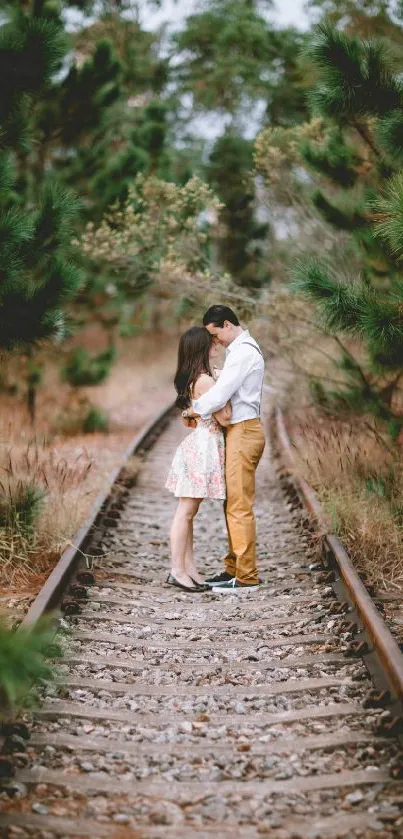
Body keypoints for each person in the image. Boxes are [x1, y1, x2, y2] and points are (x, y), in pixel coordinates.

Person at [184, 305, 265, 592]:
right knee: (231, 503)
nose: (213, 341)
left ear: (227, 325)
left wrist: (193, 410)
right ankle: (234, 568)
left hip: (244, 431)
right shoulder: (239, 352)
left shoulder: (243, 352)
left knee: (239, 506)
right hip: (239, 432)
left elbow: (220, 395)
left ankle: (246, 577)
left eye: (214, 334)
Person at [165, 326, 232, 593]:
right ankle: (177, 570)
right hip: (203, 446)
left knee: (189, 513)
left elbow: (193, 415)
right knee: (186, 512)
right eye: (211, 342)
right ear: (201, 348)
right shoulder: (205, 381)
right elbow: (225, 417)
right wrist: (223, 387)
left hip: (200, 444)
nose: (215, 344)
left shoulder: (200, 377)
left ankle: (189, 568)